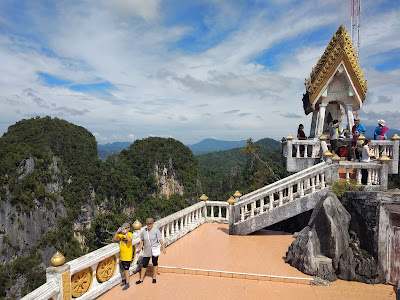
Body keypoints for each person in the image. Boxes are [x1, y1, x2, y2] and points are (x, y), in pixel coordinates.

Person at [136, 218, 166, 284]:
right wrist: (140, 248)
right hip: (147, 250)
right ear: (146, 224)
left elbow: (160, 240)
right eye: (148, 223)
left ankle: (154, 277)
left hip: (154, 249)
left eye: (151, 223)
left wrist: (163, 248)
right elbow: (143, 241)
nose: (149, 225)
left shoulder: (156, 230)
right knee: (144, 264)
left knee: (155, 262)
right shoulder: (144, 231)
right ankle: (141, 279)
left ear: (152, 224)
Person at [113, 222, 133, 290]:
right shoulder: (121, 235)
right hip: (122, 256)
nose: (124, 229)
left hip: (127, 255)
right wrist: (117, 232)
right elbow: (115, 239)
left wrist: (125, 233)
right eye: (123, 228)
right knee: (124, 269)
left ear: (129, 228)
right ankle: (125, 281)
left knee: (127, 269)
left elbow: (130, 240)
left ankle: (127, 283)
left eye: (126, 228)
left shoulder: (130, 234)